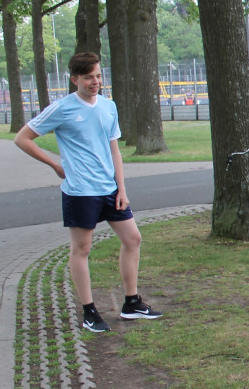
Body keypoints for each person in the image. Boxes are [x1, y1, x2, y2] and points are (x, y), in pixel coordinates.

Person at [15, 51, 163, 333]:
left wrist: (122, 188)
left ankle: (131, 303)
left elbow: (114, 150)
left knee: (133, 238)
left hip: (110, 189)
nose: (95, 82)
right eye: (88, 78)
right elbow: (22, 138)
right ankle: (89, 312)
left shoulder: (109, 106)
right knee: (81, 249)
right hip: (80, 191)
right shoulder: (62, 108)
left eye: (98, 76)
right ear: (75, 80)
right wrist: (55, 165)